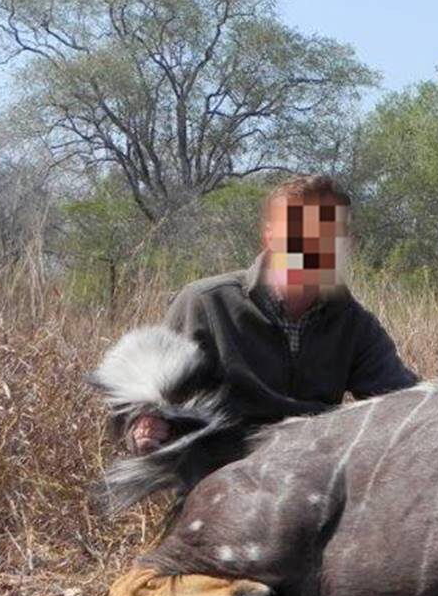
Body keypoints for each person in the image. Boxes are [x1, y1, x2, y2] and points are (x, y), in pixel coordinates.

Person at [127, 173, 418, 456]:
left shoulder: (354, 323)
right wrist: (144, 426)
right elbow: (144, 399)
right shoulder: (205, 303)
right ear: (270, 237)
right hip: (222, 476)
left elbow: (403, 402)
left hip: (310, 475)